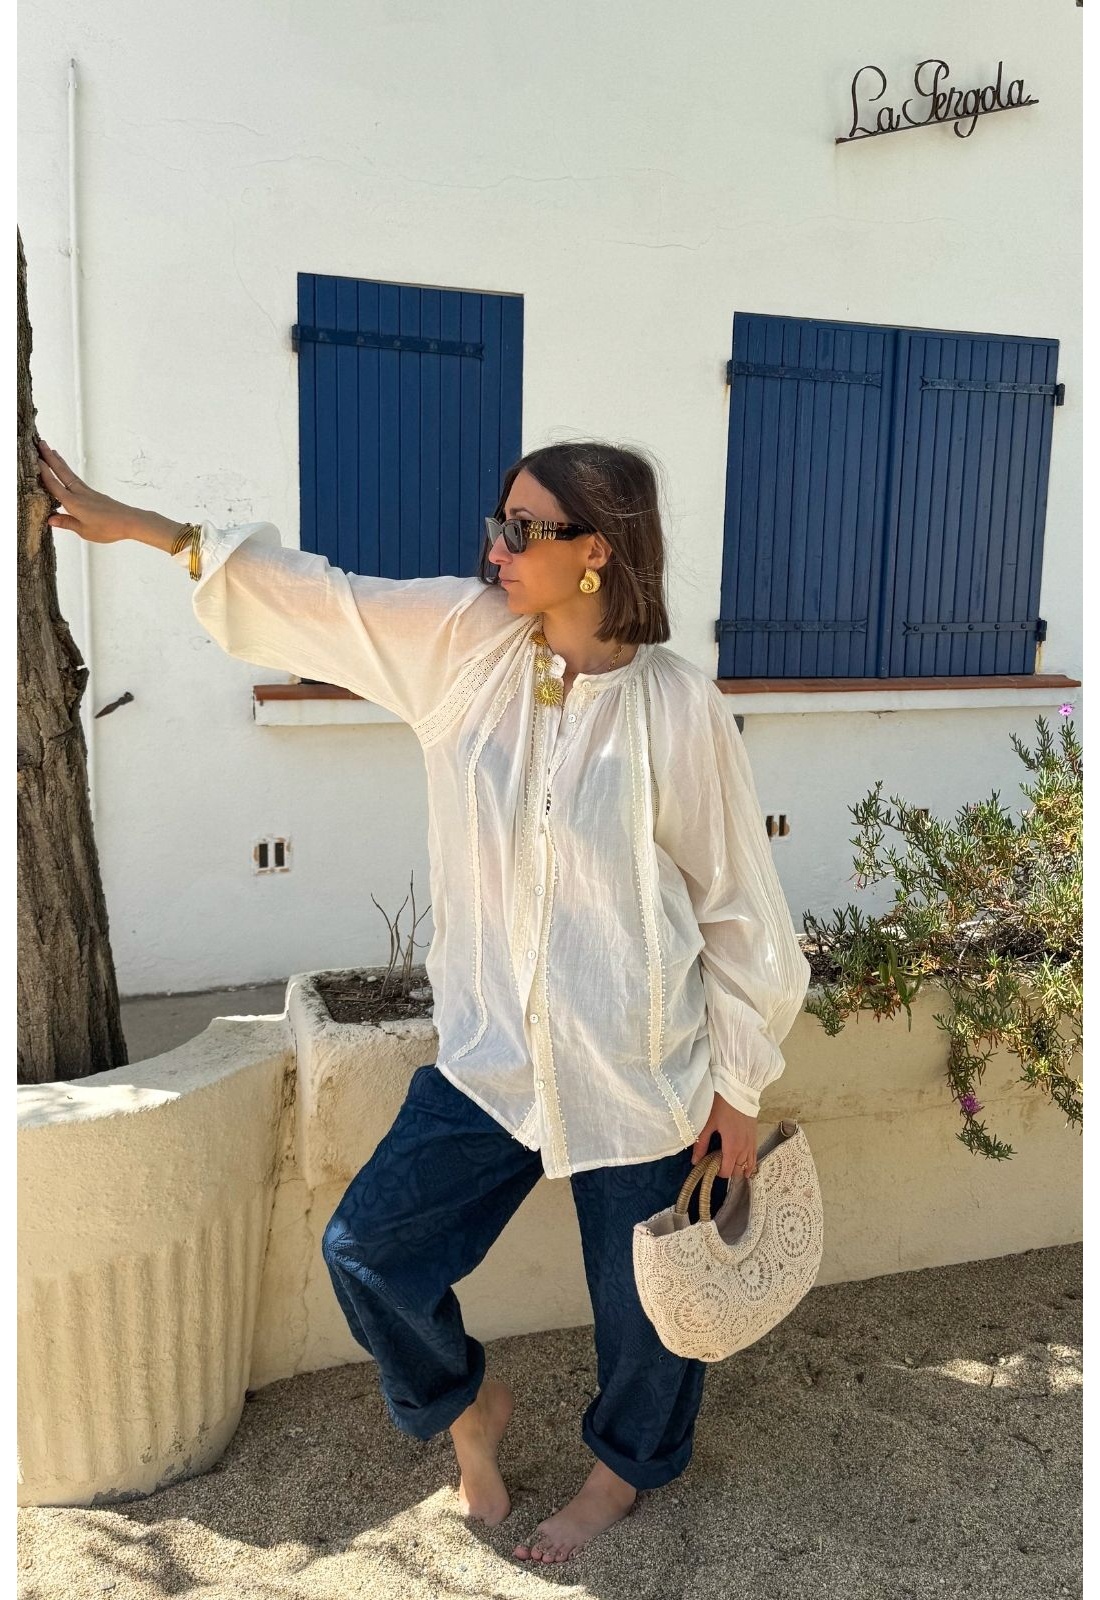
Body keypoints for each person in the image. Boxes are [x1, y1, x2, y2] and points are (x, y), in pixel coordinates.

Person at [36, 435, 812, 1564]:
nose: (495, 547)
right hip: (493, 1060)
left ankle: (618, 1477)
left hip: (640, 1064)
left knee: (648, 1306)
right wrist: (147, 530)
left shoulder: (679, 707)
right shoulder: (462, 644)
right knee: (366, 1250)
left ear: (597, 549)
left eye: (523, 529)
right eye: (498, 520)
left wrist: (737, 1085)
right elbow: (324, 600)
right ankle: (467, 1407)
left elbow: (737, 905)